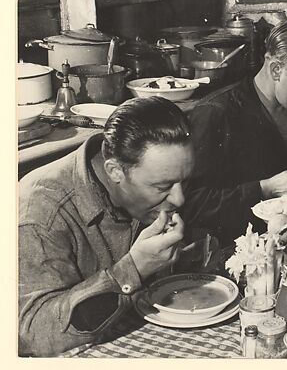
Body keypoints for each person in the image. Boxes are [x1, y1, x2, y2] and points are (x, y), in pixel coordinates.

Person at [19, 97, 195, 356]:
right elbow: (33, 335)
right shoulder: (41, 210)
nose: (179, 199)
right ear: (114, 171)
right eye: (163, 187)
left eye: (184, 181)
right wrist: (133, 269)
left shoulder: (154, 176)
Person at [185, 20, 287, 244]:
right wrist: (263, 189)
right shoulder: (216, 113)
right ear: (276, 70)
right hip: (237, 250)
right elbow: (192, 204)